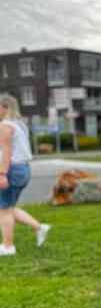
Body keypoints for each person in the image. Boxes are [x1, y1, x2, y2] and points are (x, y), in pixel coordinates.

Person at [0, 94, 50, 256]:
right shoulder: (20, 124)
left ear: (5, 107)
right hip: (23, 169)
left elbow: (7, 152)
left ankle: (8, 247)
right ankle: (39, 227)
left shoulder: (5, 125)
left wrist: (2, 174)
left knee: (4, 210)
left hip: (11, 170)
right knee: (8, 206)